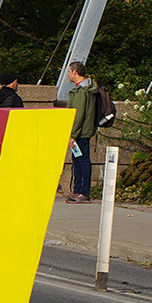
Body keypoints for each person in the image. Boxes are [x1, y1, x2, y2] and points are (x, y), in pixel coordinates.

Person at [65, 61, 99, 203]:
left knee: (82, 161)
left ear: (75, 72)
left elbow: (78, 115)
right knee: (79, 160)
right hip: (84, 131)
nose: (67, 74)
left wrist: (73, 135)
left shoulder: (81, 91)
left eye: (69, 71)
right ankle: (78, 190)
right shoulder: (87, 89)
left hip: (80, 133)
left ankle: (82, 191)